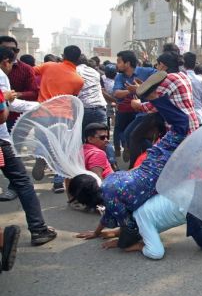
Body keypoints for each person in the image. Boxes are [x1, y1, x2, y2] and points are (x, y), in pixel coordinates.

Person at [74, 71, 190, 244]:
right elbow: (109, 214)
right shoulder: (108, 181)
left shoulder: (109, 199)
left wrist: (120, 242)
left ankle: (153, 96)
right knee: (181, 126)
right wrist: (97, 232)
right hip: (152, 161)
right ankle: (152, 95)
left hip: (160, 172)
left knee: (187, 131)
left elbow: (129, 226)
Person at [0, 47, 56, 245]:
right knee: (23, 182)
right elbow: (3, 113)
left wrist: (40, 106)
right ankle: (38, 229)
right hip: (2, 143)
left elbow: (13, 104)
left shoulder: (24, 72)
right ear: (6, 61)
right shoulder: (1, 75)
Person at [32, 45, 85, 193]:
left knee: (42, 142)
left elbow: (31, 71)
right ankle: (57, 182)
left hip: (42, 112)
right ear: (79, 59)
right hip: (62, 116)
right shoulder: (78, 80)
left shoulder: (48, 66)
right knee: (61, 149)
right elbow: (73, 98)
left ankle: (41, 155)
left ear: (62, 55)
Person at [112, 50, 156, 161]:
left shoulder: (146, 71)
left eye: (119, 62)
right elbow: (116, 93)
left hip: (146, 111)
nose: (117, 65)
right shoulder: (119, 77)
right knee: (126, 133)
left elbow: (161, 76)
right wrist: (132, 90)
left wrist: (144, 88)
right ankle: (138, 158)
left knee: (133, 135)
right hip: (127, 109)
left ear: (127, 63)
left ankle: (146, 157)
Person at [0, 36, 38, 132]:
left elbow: (34, 93)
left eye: (14, 50)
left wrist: (16, 95)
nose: (11, 53)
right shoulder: (2, 74)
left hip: (17, 118)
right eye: (7, 49)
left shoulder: (26, 69)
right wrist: (5, 97)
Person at [183, 52, 202, 124]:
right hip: (198, 115)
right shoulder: (201, 80)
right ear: (195, 64)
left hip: (183, 115)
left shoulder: (179, 78)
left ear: (183, 64)